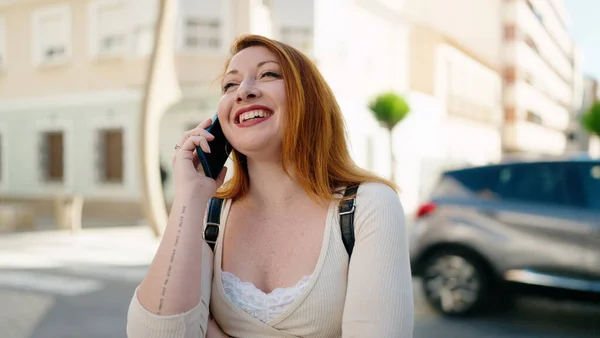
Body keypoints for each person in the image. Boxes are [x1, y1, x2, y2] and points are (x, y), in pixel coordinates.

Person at [126, 34, 414, 338]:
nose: (244, 91)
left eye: (268, 74)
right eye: (230, 85)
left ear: (310, 100)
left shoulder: (368, 205)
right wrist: (189, 198)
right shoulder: (210, 214)